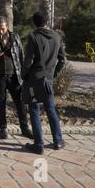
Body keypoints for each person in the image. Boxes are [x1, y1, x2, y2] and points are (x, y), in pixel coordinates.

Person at [22, 12, 67, 155]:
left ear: (34, 23)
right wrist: (53, 75)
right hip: (48, 79)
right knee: (50, 109)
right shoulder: (57, 36)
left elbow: (28, 60)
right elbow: (63, 60)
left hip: (34, 79)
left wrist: (23, 75)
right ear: (47, 21)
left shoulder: (33, 37)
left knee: (34, 110)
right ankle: (58, 141)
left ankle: (39, 144)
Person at [0, 16, 33, 140]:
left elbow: (21, 56)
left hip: (14, 75)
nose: (0, 31)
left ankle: (25, 128)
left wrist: (24, 74)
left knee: (20, 103)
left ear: (7, 27)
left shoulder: (15, 38)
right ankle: (3, 128)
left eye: (2, 29)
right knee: (1, 103)